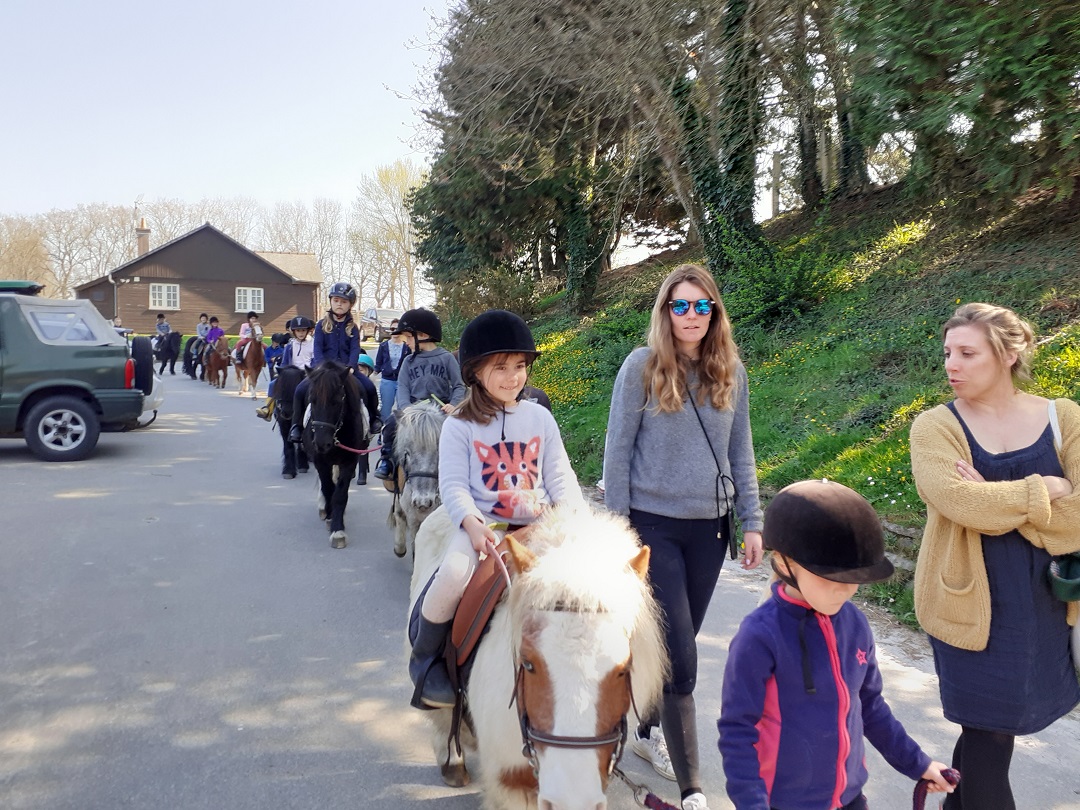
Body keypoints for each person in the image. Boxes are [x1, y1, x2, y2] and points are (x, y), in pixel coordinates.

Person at [604, 263, 765, 810]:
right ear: (666, 311)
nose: (691, 315)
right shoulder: (641, 366)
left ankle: (646, 730)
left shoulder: (730, 370)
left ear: (714, 311)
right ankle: (693, 788)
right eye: (680, 305)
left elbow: (741, 450)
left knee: (675, 641)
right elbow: (617, 451)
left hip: (710, 530)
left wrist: (752, 520)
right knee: (681, 655)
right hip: (653, 526)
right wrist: (620, 530)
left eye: (701, 305)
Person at [909, 302, 1080, 810]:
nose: (951, 365)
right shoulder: (935, 427)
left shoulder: (1063, 417)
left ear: (1009, 354)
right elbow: (959, 501)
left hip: (1046, 607)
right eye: (948, 353)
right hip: (967, 608)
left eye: (967, 353)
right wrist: (1047, 488)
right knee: (987, 733)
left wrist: (995, 498)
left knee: (989, 733)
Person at [718, 479, 955, 809]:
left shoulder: (855, 624)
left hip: (850, 799)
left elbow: (870, 707)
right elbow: (737, 730)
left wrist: (918, 763)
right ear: (785, 563)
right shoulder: (759, 636)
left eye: (854, 579)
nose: (845, 590)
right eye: (831, 578)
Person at [408, 309, 586, 708]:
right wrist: (471, 524)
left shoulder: (540, 418)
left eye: (519, 366)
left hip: (540, 525)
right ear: (475, 372)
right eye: (501, 367)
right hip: (486, 525)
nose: (513, 377)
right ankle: (426, 661)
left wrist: (575, 519)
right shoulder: (460, 425)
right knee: (454, 573)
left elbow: (560, 476)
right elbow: (454, 485)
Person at [373, 308, 466, 480]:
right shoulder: (408, 361)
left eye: (409, 337)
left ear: (423, 335)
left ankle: (460, 468)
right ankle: (387, 460)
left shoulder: (446, 358)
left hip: (440, 409)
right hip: (415, 410)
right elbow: (402, 387)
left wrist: (454, 404)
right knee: (390, 425)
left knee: (461, 429)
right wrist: (406, 408)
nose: (406, 342)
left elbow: (459, 386)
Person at [288, 284, 363, 443]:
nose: (339, 304)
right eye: (336, 300)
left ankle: (372, 420)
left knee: (367, 388)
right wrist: (321, 368)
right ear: (331, 301)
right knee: (300, 390)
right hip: (323, 371)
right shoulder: (321, 325)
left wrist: (350, 366)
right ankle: (296, 426)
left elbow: (355, 349)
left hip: (345, 372)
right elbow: (317, 348)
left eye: (344, 301)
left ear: (350, 304)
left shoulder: (353, 328)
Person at [374, 318, 411, 423]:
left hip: (402, 382)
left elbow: (409, 364)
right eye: (392, 328)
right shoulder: (383, 346)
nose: (395, 331)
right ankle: (383, 430)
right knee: (385, 409)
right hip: (387, 381)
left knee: (402, 408)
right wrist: (372, 375)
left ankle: (399, 430)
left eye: (397, 329)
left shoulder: (406, 347)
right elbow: (378, 363)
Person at [354, 353, 381, 485]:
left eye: (362, 370)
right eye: (357, 370)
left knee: (363, 443)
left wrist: (374, 414)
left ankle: (362, 472)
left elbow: (377, 402)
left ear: (369, 371)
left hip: (366, 417)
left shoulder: (370, 385)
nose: (359, 372)